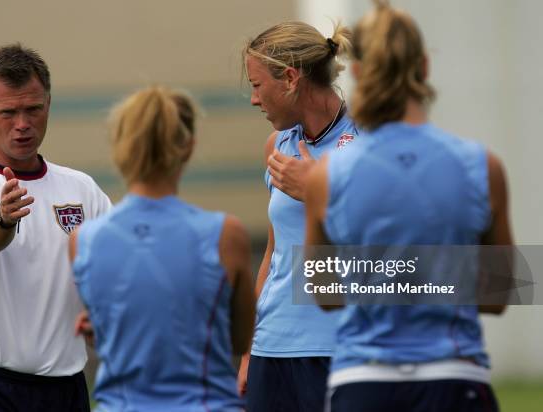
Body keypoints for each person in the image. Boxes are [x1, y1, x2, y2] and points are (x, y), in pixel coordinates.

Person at [304, 2, 513, 411]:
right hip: (454, 377)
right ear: (424, 67)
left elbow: (324, 293)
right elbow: (499, 292)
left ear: (359, 71)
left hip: (361, 380)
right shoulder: (481, 165)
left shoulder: (327, 175)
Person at [0, 44, 111, 411]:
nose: (22, 124)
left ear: (48, 105)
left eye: (33, 109)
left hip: (66, 386)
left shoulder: (82, 189)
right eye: (8, 112)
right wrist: (4, 220)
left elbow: (116, 266)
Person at [68, 86, 256, 411]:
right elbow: (239, 340)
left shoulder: (84, 240)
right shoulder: (226, 234)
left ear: (121, 147)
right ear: (188, 147)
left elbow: (113, 335)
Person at [239, 21, 358, 412]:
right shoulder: (278, 144)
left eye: (257, 85)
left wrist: (319, 193)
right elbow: (274, 253)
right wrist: (248, 349)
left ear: (290, 79)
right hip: (271, 348)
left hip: (338, 348)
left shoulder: (368, 138)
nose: (254, 99)